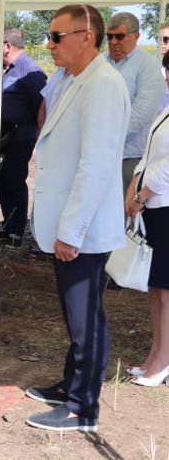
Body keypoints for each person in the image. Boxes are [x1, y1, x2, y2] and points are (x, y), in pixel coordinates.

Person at [25, 4, 130, 433]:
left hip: (83, 228)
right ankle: (71, 385)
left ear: (86, 36)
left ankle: (82, 408)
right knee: (77, 314)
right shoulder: (75, 79)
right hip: (72, 224)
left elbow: (97, 165)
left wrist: (71, 231)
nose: (49, 44)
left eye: (56, 36)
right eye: (49, 36)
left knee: (86, 316)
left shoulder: (103, 84)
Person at [125, 105, 169, 386]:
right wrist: (133, 188)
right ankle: (155, 353)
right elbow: (148, 153)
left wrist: (142, 195)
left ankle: (164, 360)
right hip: (153, 204)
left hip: (163, 203)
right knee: (156, 287)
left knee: (166, 290)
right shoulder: (165, 110)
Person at [0, 28, 46, 247]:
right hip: (4, 135)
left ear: (7, 46)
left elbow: (42, 105)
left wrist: (33, 132)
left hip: (21, 135)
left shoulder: (30, 70)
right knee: (1, 180)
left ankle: (16, 231)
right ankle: (8, 226)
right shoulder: (6, 69)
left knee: (14, 180)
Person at [105, 12, 164, 191]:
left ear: (136, 36)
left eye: (120, 36)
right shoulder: (99, 63)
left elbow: (141, 115)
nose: (114, 42)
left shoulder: (148, 66)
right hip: (100, 154)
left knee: (126, 211)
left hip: (131, 156)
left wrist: (106, 137)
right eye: (110, 36)